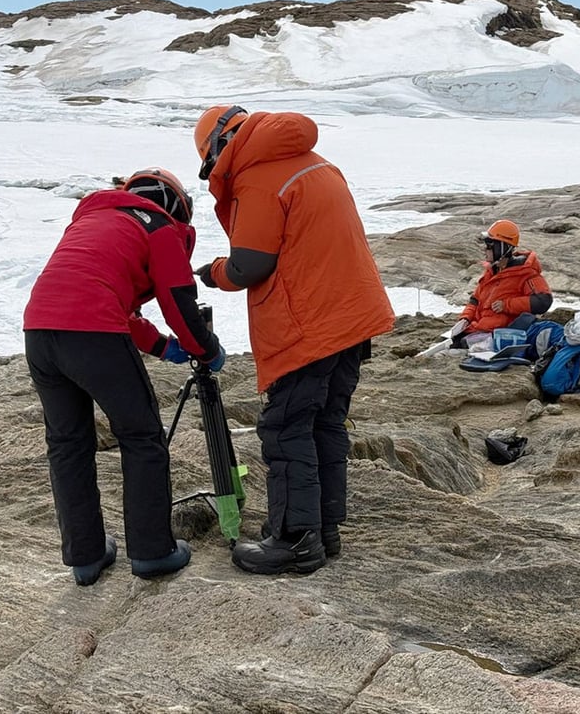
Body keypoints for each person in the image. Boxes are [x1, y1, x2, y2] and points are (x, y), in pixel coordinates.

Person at [192, 105, 395, 575]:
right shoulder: (316, 163)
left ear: (221, 147)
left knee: (287, 427)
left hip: (310, 323)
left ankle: (294, 539)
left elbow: (250, 265)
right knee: (325, 423)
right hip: (350, 317)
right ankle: (323, 529)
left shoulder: (260, 177)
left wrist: (215, 273)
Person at [23, 167, 226, 585]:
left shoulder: (94, 218)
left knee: (67, 444)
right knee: (141, 437)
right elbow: (178, 302)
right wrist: (206, 349)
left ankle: (86, 556)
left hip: (39, 330)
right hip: (94, 332)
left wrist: (162, 346)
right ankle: (153, 552)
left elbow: (103, 294)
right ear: (176, 207)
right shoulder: (160, 227)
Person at [452, 219, 552, 350]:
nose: (485, 250)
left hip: (500, 335)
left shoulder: (525, 273)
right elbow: (475, 300)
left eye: (489, 246)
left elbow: (543, 301)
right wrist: (465, 318)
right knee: (454, 341)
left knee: (458, 346)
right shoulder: (492, 271)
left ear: (502, 247)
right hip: (478, 329)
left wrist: (507, 305)